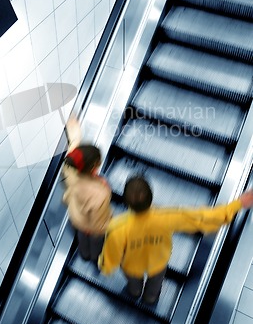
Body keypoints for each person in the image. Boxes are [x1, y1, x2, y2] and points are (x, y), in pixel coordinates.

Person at [98, 175, 253, 304]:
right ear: (151, 198)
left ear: (126, 202)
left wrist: (105, 267)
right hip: (158, 262)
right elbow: (202, 217)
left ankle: (134, 292)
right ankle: (151, 298)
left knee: (133, 284)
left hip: (131, 266)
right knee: (155, 285)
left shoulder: (117, 227)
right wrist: (238, 204)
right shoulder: (167, 216)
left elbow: (112, 255)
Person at [62, 116, 112, 261]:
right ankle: (96, 258)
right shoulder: (100, 185)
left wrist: (74, 134)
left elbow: (73, 154)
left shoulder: (72, 177)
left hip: (79, 222)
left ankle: (85, 255)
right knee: (96, 245)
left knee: (84, 243)